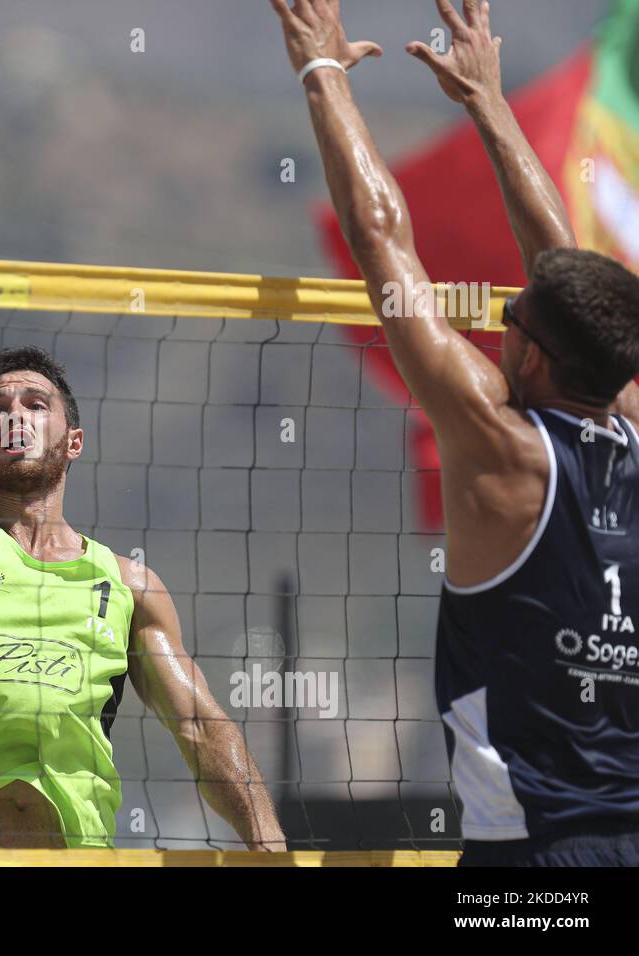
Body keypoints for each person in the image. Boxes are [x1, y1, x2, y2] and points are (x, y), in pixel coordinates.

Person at [0, 115, 285, 850]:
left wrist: (267, 841)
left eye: (35, 403)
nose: (14, 413)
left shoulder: (126, 585)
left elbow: (200, 725)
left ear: (73, 441)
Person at [271, 0, 639, 865]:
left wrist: (321, 73)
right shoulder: (628, 416)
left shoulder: (500, 448)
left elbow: (380, 238)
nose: (501, 318)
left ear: (535, 358)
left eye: (511, 316)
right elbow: (561, 260)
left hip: (529, 859)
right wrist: (491, 105)